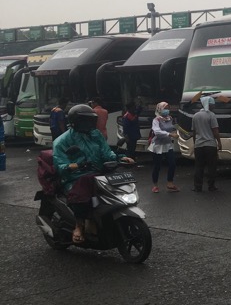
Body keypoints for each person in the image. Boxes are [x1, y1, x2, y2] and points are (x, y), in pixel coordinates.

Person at [52, 104, 134, 243]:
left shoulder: (95, 134)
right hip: (75, 177)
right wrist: (73, 166)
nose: (89, 124)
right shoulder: (62, 141)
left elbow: (106, 153)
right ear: (75, 122)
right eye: (85, 121)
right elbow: (60, 165)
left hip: (97, 173)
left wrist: (120, 158)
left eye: (90, 120)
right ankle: (79, 225)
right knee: (83, 187)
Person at [191, 96, 222, 192]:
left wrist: (195, 143)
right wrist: (219, 142)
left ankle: (197, 186)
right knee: (211, 166)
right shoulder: (211, 115)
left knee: (199, 166)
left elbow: (194, 132)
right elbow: (215, 131)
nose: (214, 106)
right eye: (213, 104)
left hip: (199, 145)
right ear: (208, 104)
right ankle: (211, 186)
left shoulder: (195, 115)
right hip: (210, 145)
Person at [150, 101, 179, 193]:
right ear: (160, 109)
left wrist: (176, 132)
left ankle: (170, 183)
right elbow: (157, 132)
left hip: (168, 144)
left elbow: (172, 128)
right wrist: (170, 134)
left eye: (168, 108)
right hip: (158, 145)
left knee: (172, 163)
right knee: (157, 166)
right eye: (165, 108)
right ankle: (155, 185)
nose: (167, 110)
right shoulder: (156, 120)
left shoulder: (170, 118)